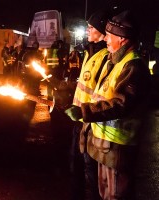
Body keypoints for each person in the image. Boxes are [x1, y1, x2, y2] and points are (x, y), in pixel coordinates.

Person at [65, 10, 151, 199]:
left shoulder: (133, 67)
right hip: (106, 148)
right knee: (106, 194)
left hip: (118, 152)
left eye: (110, 36)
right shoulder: (115, 62)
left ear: (122, 39)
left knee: (115, 196)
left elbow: (121, 104)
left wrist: (83, 111)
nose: (106, 39)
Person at [69, 10, 111, 200]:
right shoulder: (89, 51)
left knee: (90, 171)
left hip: (92, 124)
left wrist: (86, 112)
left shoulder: (105, 56)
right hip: (80, 120)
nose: (87, 29)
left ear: (102, 32)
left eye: (92, 27)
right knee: (76, 166)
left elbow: (101, 92)